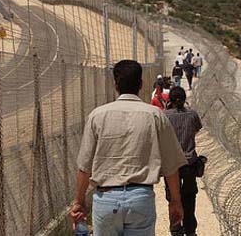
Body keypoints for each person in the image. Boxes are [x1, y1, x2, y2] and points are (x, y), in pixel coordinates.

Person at [71, 60, 187, 236]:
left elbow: (84, 167)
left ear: (115, 84)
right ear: (141, 84)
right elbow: (171, 166)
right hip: (140, 198)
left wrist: (79, 201)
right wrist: (175, 202)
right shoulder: (155, 116)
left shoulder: (97, 116)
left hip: (106, 199)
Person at [164, 87, 202, 236]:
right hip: (189, 163)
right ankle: (190, 230)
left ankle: (175, 229)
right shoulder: (192, 114)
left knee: (173, 198)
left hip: (171, 165)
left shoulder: (164, 116)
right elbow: (196, 129)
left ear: (170, 100)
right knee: (189, 198)